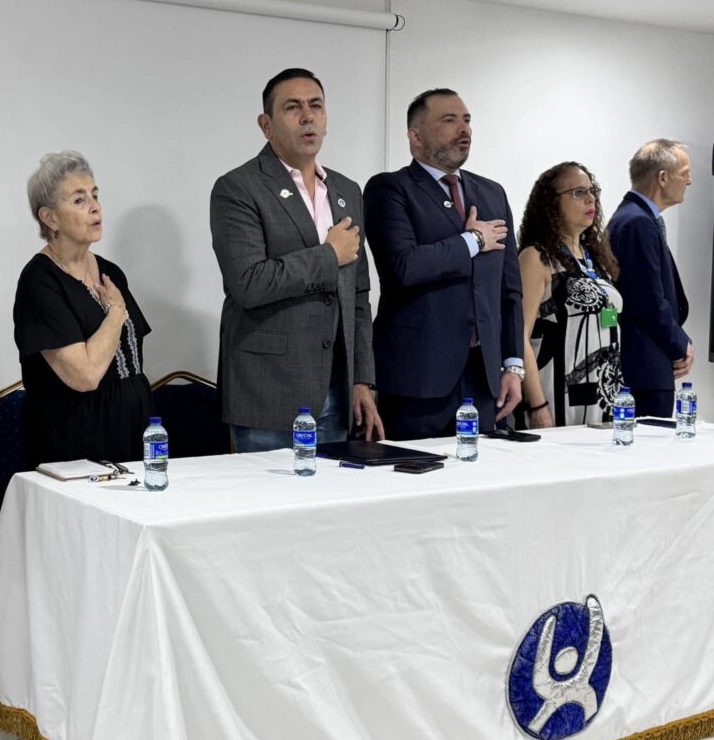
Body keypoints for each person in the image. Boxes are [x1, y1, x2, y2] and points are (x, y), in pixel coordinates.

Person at [210, 67, 382, 452]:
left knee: (327, 507)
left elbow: (358, 295)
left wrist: (362, 380)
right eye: (293, 107)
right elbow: (249, 282)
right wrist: (328, 255)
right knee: (268, 508)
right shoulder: (237, 188)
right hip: (268, 391)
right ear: (266, 125)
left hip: (337, 388)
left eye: (316, 106)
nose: (308, 116)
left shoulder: (346, 190)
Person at [363, 88, 524, 440]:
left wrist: (513, 364)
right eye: (449, 120)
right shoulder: (390, 189)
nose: (463, 129)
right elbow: (403, 267)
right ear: (415, 136)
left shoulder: (492, 193)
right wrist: (472, 241)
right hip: (418, 380)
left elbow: (508, 289)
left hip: (484, 380)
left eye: (466, 120)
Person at [13, 151, 154, 469]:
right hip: (76, 436)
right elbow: (85, 375)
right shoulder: (40, 281)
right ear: (49, 218)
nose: (95, 207)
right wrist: (116, 313)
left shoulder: (111, 272)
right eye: (78, 200)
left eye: (94, 195)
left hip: (134, 427)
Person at [517, 162, 623, 427]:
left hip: (603, 398)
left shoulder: (595, 260)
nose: (590, 198)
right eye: (578, 192)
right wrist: (537, 406)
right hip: (556, 399)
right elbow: (519, 337)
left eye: (592, 190)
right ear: (551, 204)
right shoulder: (537, 258)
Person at [607, 139, 693, 417]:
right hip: (644, 369)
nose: (689, 181)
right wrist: (681, 345)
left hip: (647, 364)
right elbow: (649, 302)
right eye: (685, 173)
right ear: (663, 177)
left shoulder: (636, 218)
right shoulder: (637, 222)